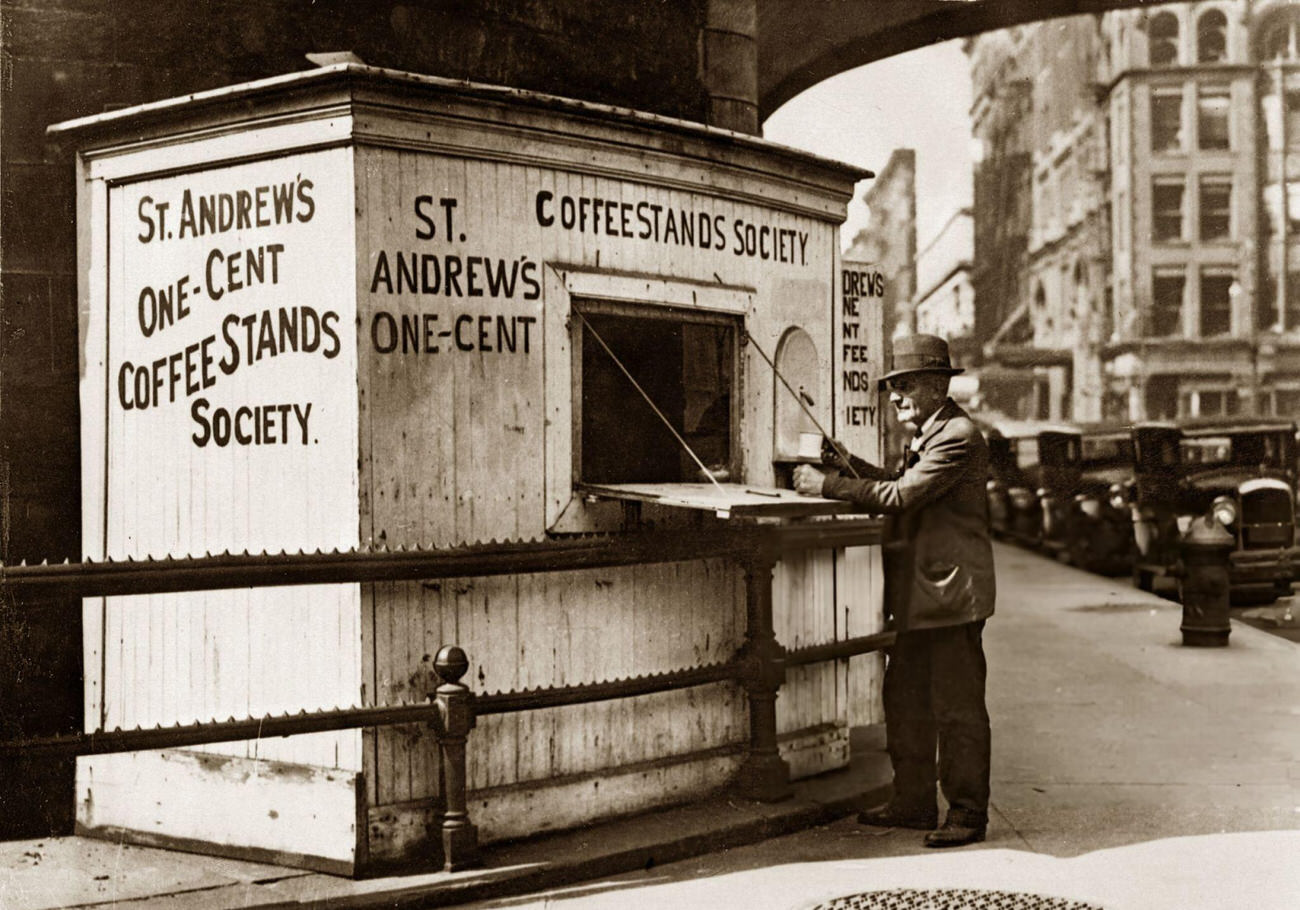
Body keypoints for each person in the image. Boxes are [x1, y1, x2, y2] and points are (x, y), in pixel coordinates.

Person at [793, 333, 994, 848]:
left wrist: (829, 485)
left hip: (950, 597)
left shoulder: (957, 436)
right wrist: (848, 464)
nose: (897, 397)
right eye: (893, 387)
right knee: (904, 699)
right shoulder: (933, 433)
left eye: (906, 386)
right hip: (924, 596)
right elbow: (897, 483)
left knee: (956, 708)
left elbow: (902, 495)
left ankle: (967, 814)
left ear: (935, 385)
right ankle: (913, 802)